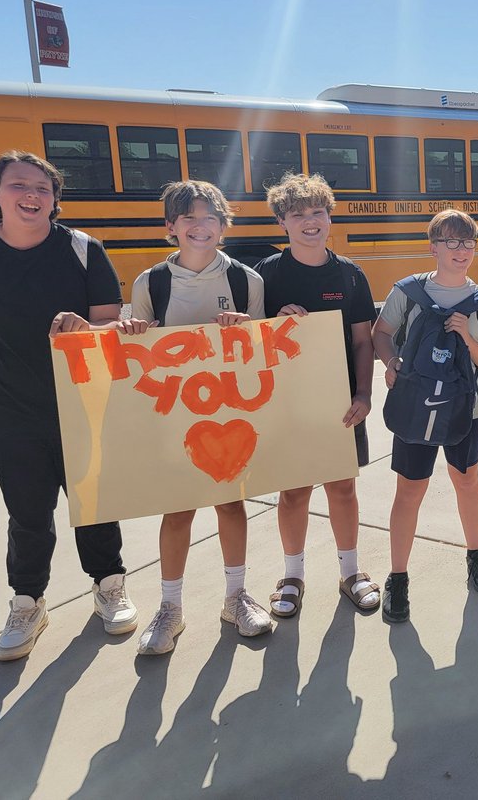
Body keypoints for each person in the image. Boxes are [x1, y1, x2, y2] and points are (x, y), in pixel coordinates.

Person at [0, 150, 137, 661]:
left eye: (44, 188)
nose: (33, 195)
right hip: (7, 412)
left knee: (95, 505)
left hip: (82, 405)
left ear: (55, 200)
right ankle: (28, 601)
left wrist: (86, 330)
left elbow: (112, 329)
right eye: (19, 185)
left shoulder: (85, 250)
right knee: (27, 514)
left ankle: (108, 585)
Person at [125, 181, 271, 655]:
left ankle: (236, 596)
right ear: (171, 227)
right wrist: (134, 333)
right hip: (174, 414)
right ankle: (170, 608)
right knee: (178, 508)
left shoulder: (248, 281)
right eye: (188, 218)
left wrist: (250, 331)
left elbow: (261, 351)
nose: (200, 226)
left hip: (230, 415)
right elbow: (138, 355)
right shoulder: (151, 282)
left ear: (224, 225)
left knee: (231, 503)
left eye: (210, 217)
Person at [254, 173, 380, 616]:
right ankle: (292, 576)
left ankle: (351, 572)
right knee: (294, 493)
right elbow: (248, 343)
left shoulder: (349, 274)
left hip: (340, 402)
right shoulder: (264, 276)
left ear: (329, 216)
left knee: (342, 488)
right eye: (297, 214)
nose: (310, 221)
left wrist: (363, 393)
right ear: (282, 224)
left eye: (317, 212)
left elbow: (362, 341)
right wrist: (275, 324)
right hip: (286, 405)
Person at [372, 209, 478, 623]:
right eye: (451, 241)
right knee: (409, 490)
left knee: (467, 481)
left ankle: (476, 554)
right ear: (433, 247)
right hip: (416, 404)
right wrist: (389, 360)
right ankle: (398, 576)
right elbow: (381, 332)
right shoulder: (408, 293)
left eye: (468, 242)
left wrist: (466, 336)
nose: (461, 250)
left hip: (467, 409)